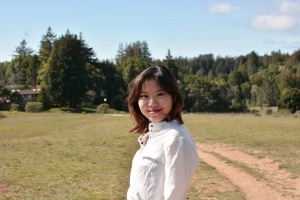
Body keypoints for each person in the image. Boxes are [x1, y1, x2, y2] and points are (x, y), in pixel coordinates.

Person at [127, 65, 200, 200]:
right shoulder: (153, 133)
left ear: (174, 97)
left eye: (160, 94)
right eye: (144, 96)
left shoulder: (177, 139)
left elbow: (175, 196)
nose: (152, 103)